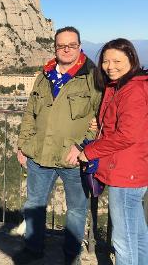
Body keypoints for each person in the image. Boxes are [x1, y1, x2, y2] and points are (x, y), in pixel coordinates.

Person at [13, 26, 102, 265]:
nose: (66, 49)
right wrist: (23, 145)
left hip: (74, 158)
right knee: (34, 204)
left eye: (71, 45)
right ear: (55, 47)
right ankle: (33, 249)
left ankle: (71, 255)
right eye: (61, 45)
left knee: (76, 209)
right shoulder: (44, 75)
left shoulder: (92, 77)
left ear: (79, 46)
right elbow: (30, 112)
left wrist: (83, 147)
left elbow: (101, 118)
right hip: (39, 154)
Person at [79, 39, 148, 265]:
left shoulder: (133, 90)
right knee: (137, 232)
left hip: (126, 172)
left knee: (122, 239)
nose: (110, 66)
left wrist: (89, 151)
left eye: (117, 61)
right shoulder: (120, 86)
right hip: (133, 169)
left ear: (132, 60)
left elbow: (127, 135)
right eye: (106, 61)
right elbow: (123, 124)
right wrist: (99, 126)